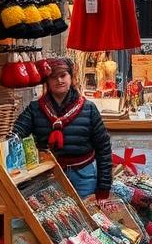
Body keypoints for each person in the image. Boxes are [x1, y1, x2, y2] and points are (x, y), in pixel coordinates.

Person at [12, 57, 113, 199]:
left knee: (85, 218)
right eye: (53, 77)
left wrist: (103, 188)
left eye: (63, 75)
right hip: (47, 176)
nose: (59, 80)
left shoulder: (88, 109)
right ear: (47, 81)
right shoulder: (35, 109)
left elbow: (104, 149)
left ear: (71, 77)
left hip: (84, 176)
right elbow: (16, 133)